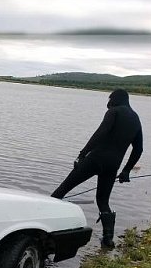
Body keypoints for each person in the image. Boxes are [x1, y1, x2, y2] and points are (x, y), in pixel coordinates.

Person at [51, 88, 144, 248]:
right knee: (103, 201)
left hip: (96, 159)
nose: (108, 103)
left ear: (115, 99)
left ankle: (45, 226)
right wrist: (126, 170)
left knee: (63, 189)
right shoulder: (135, 119)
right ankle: (108, 239)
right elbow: (138, 149)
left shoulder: (114, 112)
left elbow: (101, 132)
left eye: (110, 99)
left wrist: (82, 154)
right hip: (113, 165)